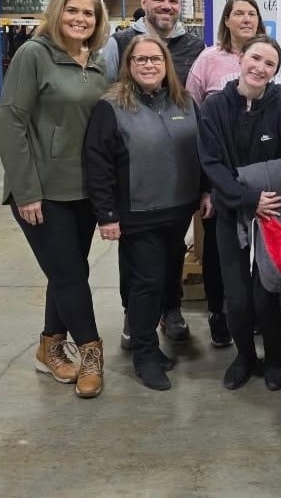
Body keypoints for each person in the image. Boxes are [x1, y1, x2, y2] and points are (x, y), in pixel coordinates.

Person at [0, 0, 110, 399]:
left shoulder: (95, 64)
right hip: (42, 191)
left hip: (83, 191)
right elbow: (9, 123)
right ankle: (92, 353)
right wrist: (25, 190)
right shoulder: (34, 55)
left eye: (89, 14)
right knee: (71, 273)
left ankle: (49, 346)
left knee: (64, 272)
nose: (80, 19)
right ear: (56, 12)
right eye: (72, 11)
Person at [84, 36, 212, 391]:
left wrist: (205, 190)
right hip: (137, 212)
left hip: (178, 210)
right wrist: (107, 214)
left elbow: (201, 150)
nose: (148, 65)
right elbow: (97, 163)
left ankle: (151, 348)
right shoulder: (111, 106)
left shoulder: (184, 101)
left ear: (166, 63)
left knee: (167, 279)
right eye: (140, 59)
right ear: (128, 65)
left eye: (155, 59)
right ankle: (144, 354)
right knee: (147, 283)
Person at [198, 35, 281, 392]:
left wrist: (261, 197)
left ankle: (274, 358)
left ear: (276, 71)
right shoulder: (214, 108)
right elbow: (212, 164)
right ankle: (245, 356)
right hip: (231, 215)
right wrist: (247, 197)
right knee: (238, 298)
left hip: (273, 215)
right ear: (241, 57)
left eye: (269, 64)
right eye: (255, 58)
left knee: (266, 294)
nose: (260, 67)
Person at [102, 0, 204, 345]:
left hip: (175, 173)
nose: (166, 6)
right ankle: (135, 314)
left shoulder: (194, 46)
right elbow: (105, 103)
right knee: (137, 256)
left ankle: (171, 309)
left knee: (173, 248)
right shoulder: (119, 44)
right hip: (133, 170)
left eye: (173, 1)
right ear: (144, 1)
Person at [186, 0, 266, 348]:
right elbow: (193, 116)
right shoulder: (208, 59)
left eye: (252, 13)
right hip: (218, 175)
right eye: (239, 13)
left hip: (260, 174)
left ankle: (258, 315)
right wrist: (206, 187)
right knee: (220, 254)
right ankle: (220, 314)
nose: (246, 18)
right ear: (227, 20)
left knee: (261, 251)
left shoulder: (270, 54)